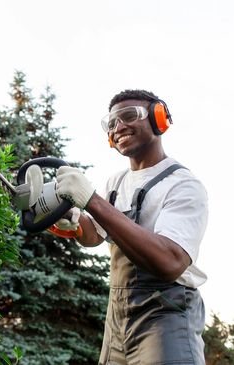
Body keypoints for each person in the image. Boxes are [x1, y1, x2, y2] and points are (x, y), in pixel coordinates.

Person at [55, 89, 208, 365]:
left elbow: (171, 261)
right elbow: (96, 235)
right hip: (117, 317)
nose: (119, 127)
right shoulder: (116, 182)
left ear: (158, 118)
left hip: (165, 314)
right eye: (112, 123)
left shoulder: (182, 184)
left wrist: (92, 201)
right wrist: (75, 220)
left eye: (128, 116)